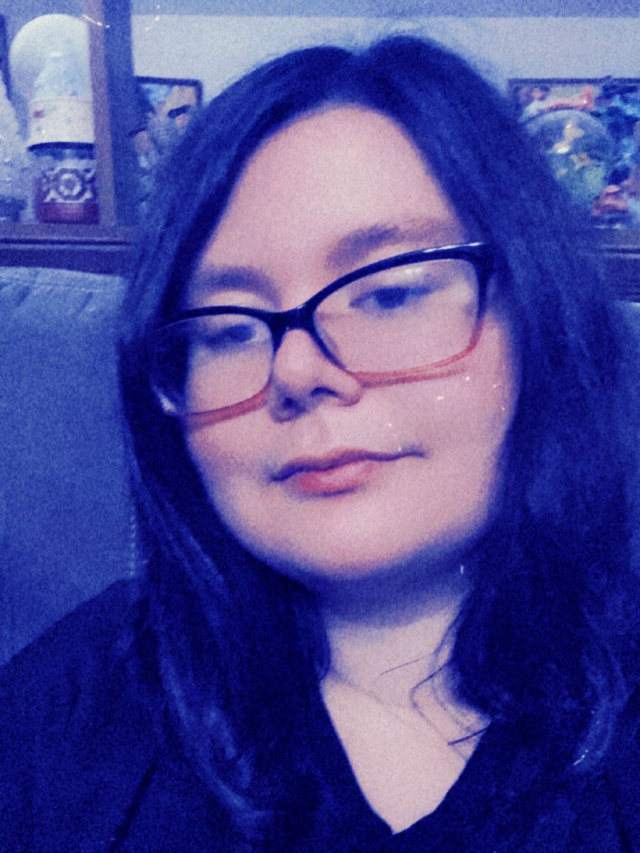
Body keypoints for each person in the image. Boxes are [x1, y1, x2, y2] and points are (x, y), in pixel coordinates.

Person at [2, 34, 640, 853]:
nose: (296, 369)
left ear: (540, 321)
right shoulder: (77, 705)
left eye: (390, 293)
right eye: (228, 329)